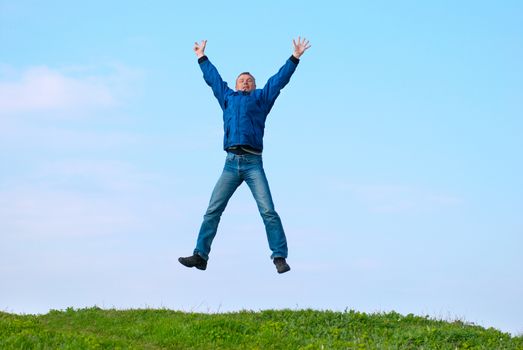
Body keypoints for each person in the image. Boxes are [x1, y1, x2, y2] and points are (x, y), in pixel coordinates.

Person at [179, 37, 311, 274]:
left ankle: (279, 256)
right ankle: (200, 255)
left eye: (249, 81)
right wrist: (201, 57)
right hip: (230, 164)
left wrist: (295, 58)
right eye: (242, 80)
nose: (245, 83)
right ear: (236, 85)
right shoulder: (228, 98)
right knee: (212, 210)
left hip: (253, 164)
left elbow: (279, 81)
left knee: (268, 211)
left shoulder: (261, 98)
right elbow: (213, 80)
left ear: (254, 86)